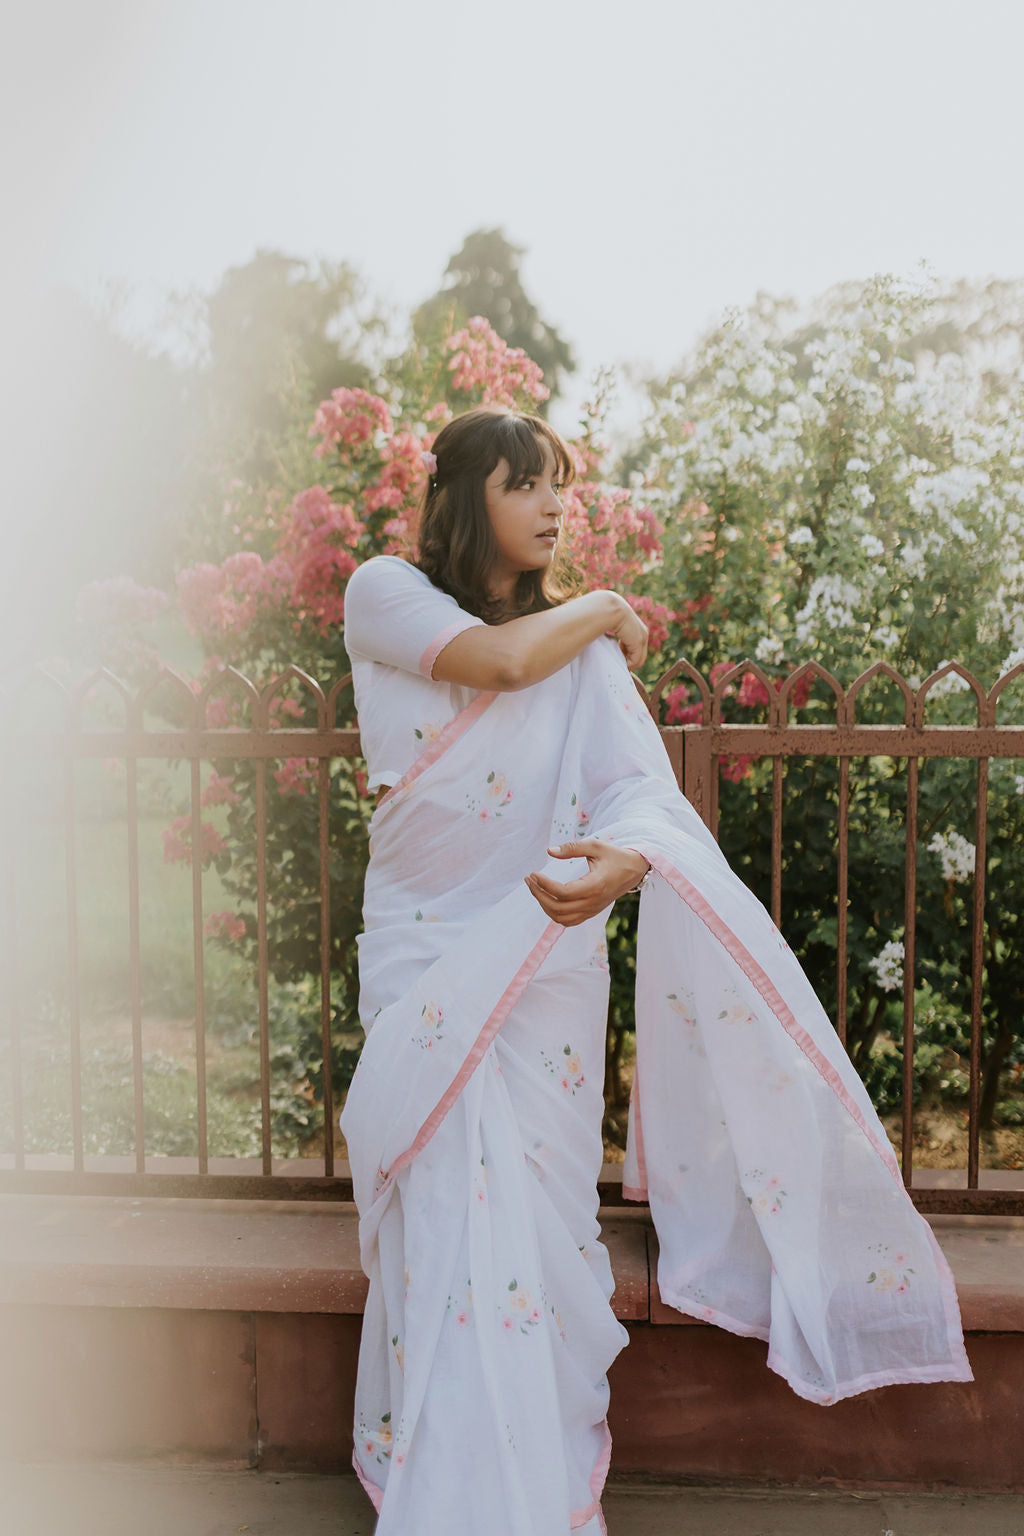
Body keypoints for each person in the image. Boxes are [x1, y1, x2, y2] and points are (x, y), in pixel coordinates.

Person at [340, 405, 972, 1536]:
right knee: (444, 1216)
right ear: (465, 494)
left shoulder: (581, 661)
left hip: (544, 966)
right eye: (527, 484)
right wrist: (607, 606)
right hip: (426, 959)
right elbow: (498, 661)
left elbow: (637, 792)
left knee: (529, 1224)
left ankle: (531, 1474)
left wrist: (626, 862)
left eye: (560, 486)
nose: (553, 506)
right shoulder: (385, 592)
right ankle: (453, 1476)